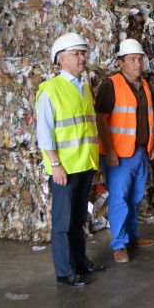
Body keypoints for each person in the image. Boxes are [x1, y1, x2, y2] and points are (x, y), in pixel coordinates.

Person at [36, 33, 105, 286]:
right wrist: (55, 165)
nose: (82, 58)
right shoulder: (50, 90)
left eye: (83, 53)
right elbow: (44, 133)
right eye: (77, 54)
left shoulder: (83, 88)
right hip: (63, 168)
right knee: (63, 223)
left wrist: (93, 160)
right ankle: (65, 272)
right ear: (62, 59)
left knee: (78, 220)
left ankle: (80, 262)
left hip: (84, 164)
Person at [95, 38, 154, 264]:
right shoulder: (110, 85)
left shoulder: (145, 85)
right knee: (119, 198)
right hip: (118, 155)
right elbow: (100, 120)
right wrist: (109, 151)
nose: (137, 64)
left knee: (135, 196)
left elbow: (148, 118)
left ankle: (132, 235)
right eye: (132, 59)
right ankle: (119, 244)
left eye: (139, 59)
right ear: (121, 62)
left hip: (140, 151)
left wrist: (150, 145)